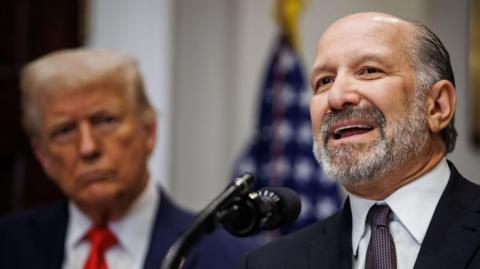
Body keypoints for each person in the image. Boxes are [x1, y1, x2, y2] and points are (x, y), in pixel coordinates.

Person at [238, 12, 480, 269]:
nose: (336, 97)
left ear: (437, 107)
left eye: (369, 71)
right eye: (324, 81)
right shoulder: (269, 264)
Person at [0, 48, 255, 269]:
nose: (88, 148)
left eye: (105, 121)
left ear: (149, 131)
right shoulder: (9, 244)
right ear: (42, 154)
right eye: (65, 131)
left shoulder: (230, 256)